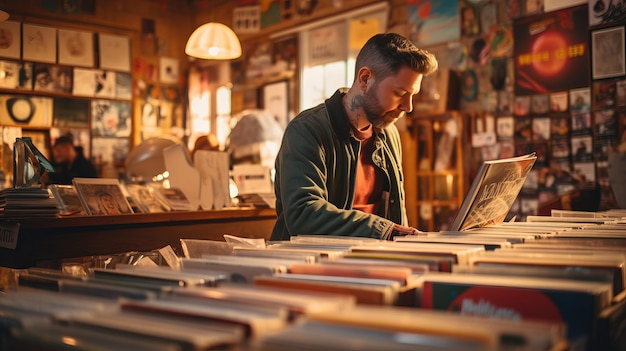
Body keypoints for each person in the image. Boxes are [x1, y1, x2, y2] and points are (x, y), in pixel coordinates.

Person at [271, 33, 438, 241]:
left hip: (372, 261)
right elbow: (303, 215)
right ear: (365, 78)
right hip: (310, 264)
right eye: (399, 93)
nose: (408, 107)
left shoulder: (389, 134)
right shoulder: (306, 131)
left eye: (413, 95)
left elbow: (397, 213)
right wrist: (385, 230)